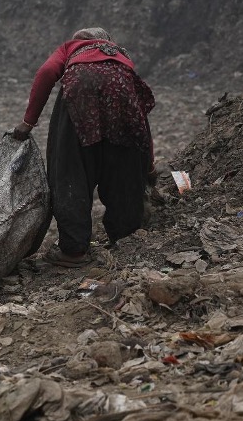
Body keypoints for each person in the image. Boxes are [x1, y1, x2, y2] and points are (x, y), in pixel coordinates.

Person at [12, 27, 156, 267]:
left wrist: (28, 122)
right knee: (122, 167)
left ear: (80, 40)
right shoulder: (120, 56)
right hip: (122, 93)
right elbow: (141, 122)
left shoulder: (72, 48)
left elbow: (47, 71)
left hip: (80, 90)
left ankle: (74, 251)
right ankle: (126, 239)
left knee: (71, 168)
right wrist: (148, 166)